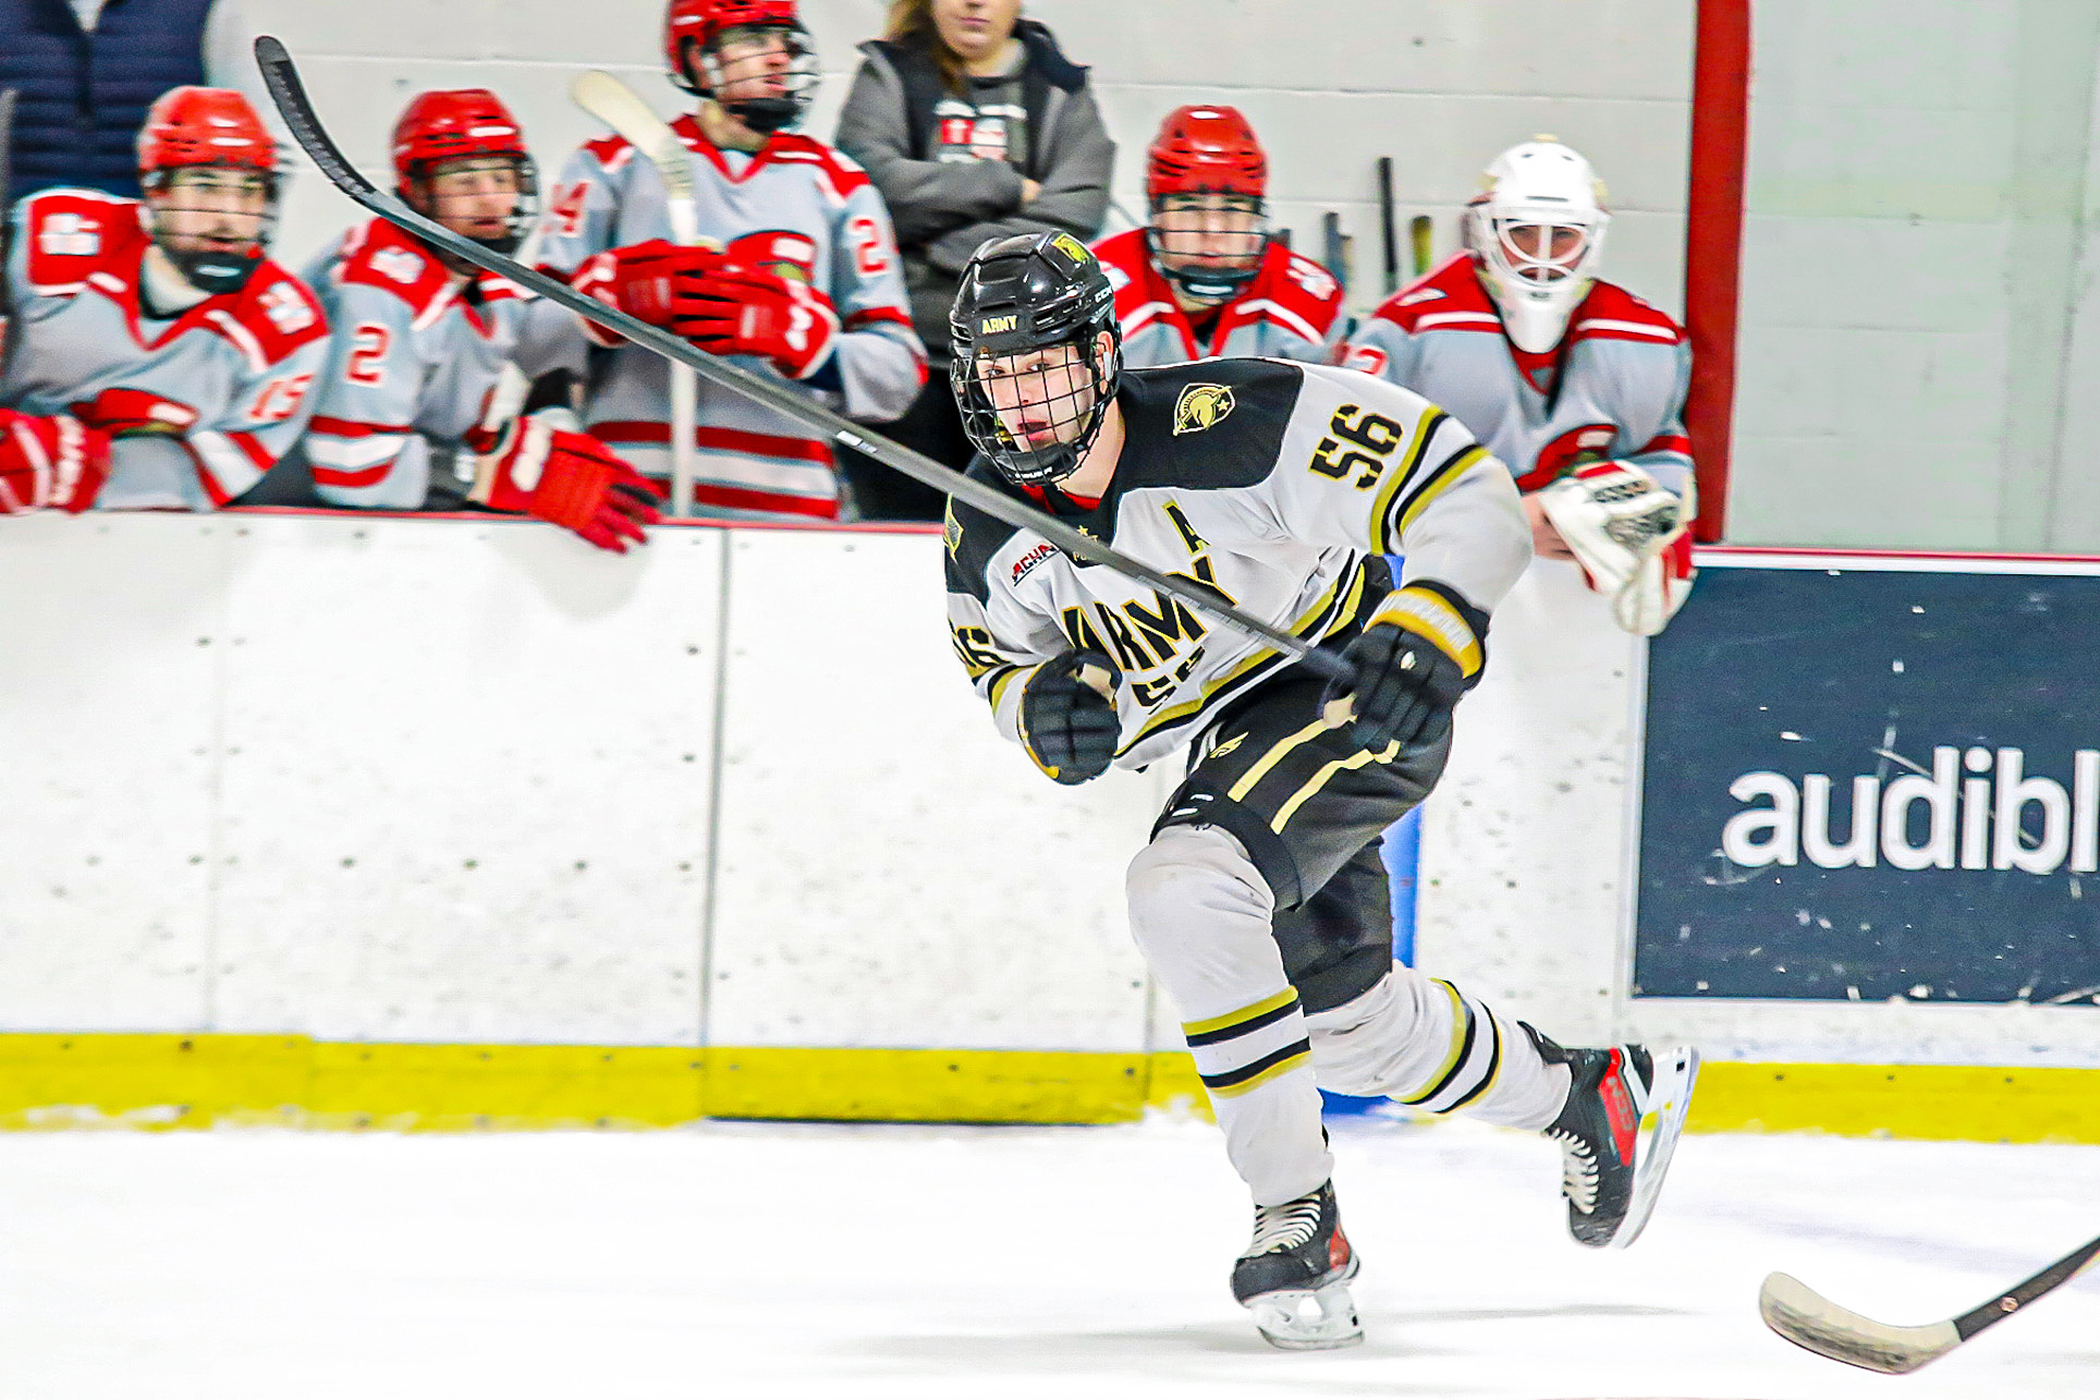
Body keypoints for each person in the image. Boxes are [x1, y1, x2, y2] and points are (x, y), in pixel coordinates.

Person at [941, 231, 1697, 1350]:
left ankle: (1298, 1216)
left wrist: (1435, 619)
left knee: (1184, 888)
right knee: (1345, 1029)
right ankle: (1590, 1096)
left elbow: (1461, 486)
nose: (1024, 402)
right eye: (1000, 375)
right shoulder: (981, 526)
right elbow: (1006, 673)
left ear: (1102, 354)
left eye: (1045, 367)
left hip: (1351, 689)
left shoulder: (1239, 419)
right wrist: (1048, 713)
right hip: (1228, 749)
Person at [539, 0, 923, 523]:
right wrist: (606, 304)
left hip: (792, 514)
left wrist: (809, 343)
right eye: (754, 39)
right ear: (698, 58)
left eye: (783, 40)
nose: (779, 56)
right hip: (628, 507)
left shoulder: (840, 186)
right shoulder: (612, 165)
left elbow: (898, 376)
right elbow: (526, 341)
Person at [1340, 139, 1696, 635]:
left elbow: (1660, 462)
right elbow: (1350, 487)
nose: (1541, 256)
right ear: (1487, 231)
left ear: (1592, 238)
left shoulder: (1650, 338)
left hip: (1573, 617)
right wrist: (1506, 516)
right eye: (1523, 233)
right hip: (1432, 588)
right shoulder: (1405, 329)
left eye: (1562, 236)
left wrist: (1662, 532)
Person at [298, 88, 661, 553]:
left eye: (501, 177)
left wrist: (631, 298)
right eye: (465, 181)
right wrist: (488, 470)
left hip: (389, 528)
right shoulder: (377, 287)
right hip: (304, 529)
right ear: (418, 191)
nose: (490, 199)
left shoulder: (489, 280)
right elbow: (351, 469)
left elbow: (543, 352)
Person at [834, 0, 1112, 517]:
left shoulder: (1060, 87)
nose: (973, 3)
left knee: (1018, 540)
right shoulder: (888, 73)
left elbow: (1075, 213)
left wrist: (937, 242)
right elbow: (868, 185)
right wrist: (1004, 185)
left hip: (1025, 376)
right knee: (899, 545)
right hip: (908, 370)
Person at [0, 86, 327, 514]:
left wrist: (79, 471)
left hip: (147, 543)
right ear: (156, 190)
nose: (229, 216)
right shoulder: (49, 240)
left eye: (250, 189)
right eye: (205, 186)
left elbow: (210, 476)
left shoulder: (287, 332)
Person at [1093, 105, 1345, 368]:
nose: (1212, 230)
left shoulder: (1309, 300)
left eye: (1232, 208)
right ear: (1157, 214)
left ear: (1255, 217)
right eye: (1189, 208)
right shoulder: (1096, 293)